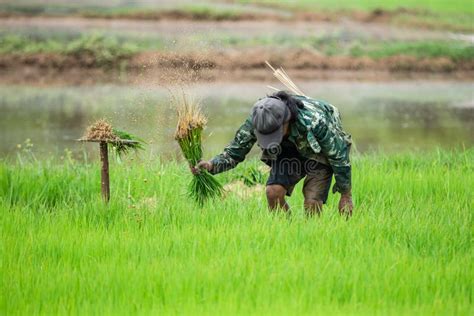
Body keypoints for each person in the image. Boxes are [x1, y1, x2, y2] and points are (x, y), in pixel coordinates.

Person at [192, 91, 353, 216]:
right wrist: (211, 165)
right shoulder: (258, 120)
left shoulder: (315, 121)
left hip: (317, 152)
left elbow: (338, 155)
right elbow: (235, 152)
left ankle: (312, 235)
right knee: (273, 192)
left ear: (286, 121)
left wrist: (345, 195)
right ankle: (286, 233)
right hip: (287, 151)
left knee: (312, 200)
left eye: (273, 133)